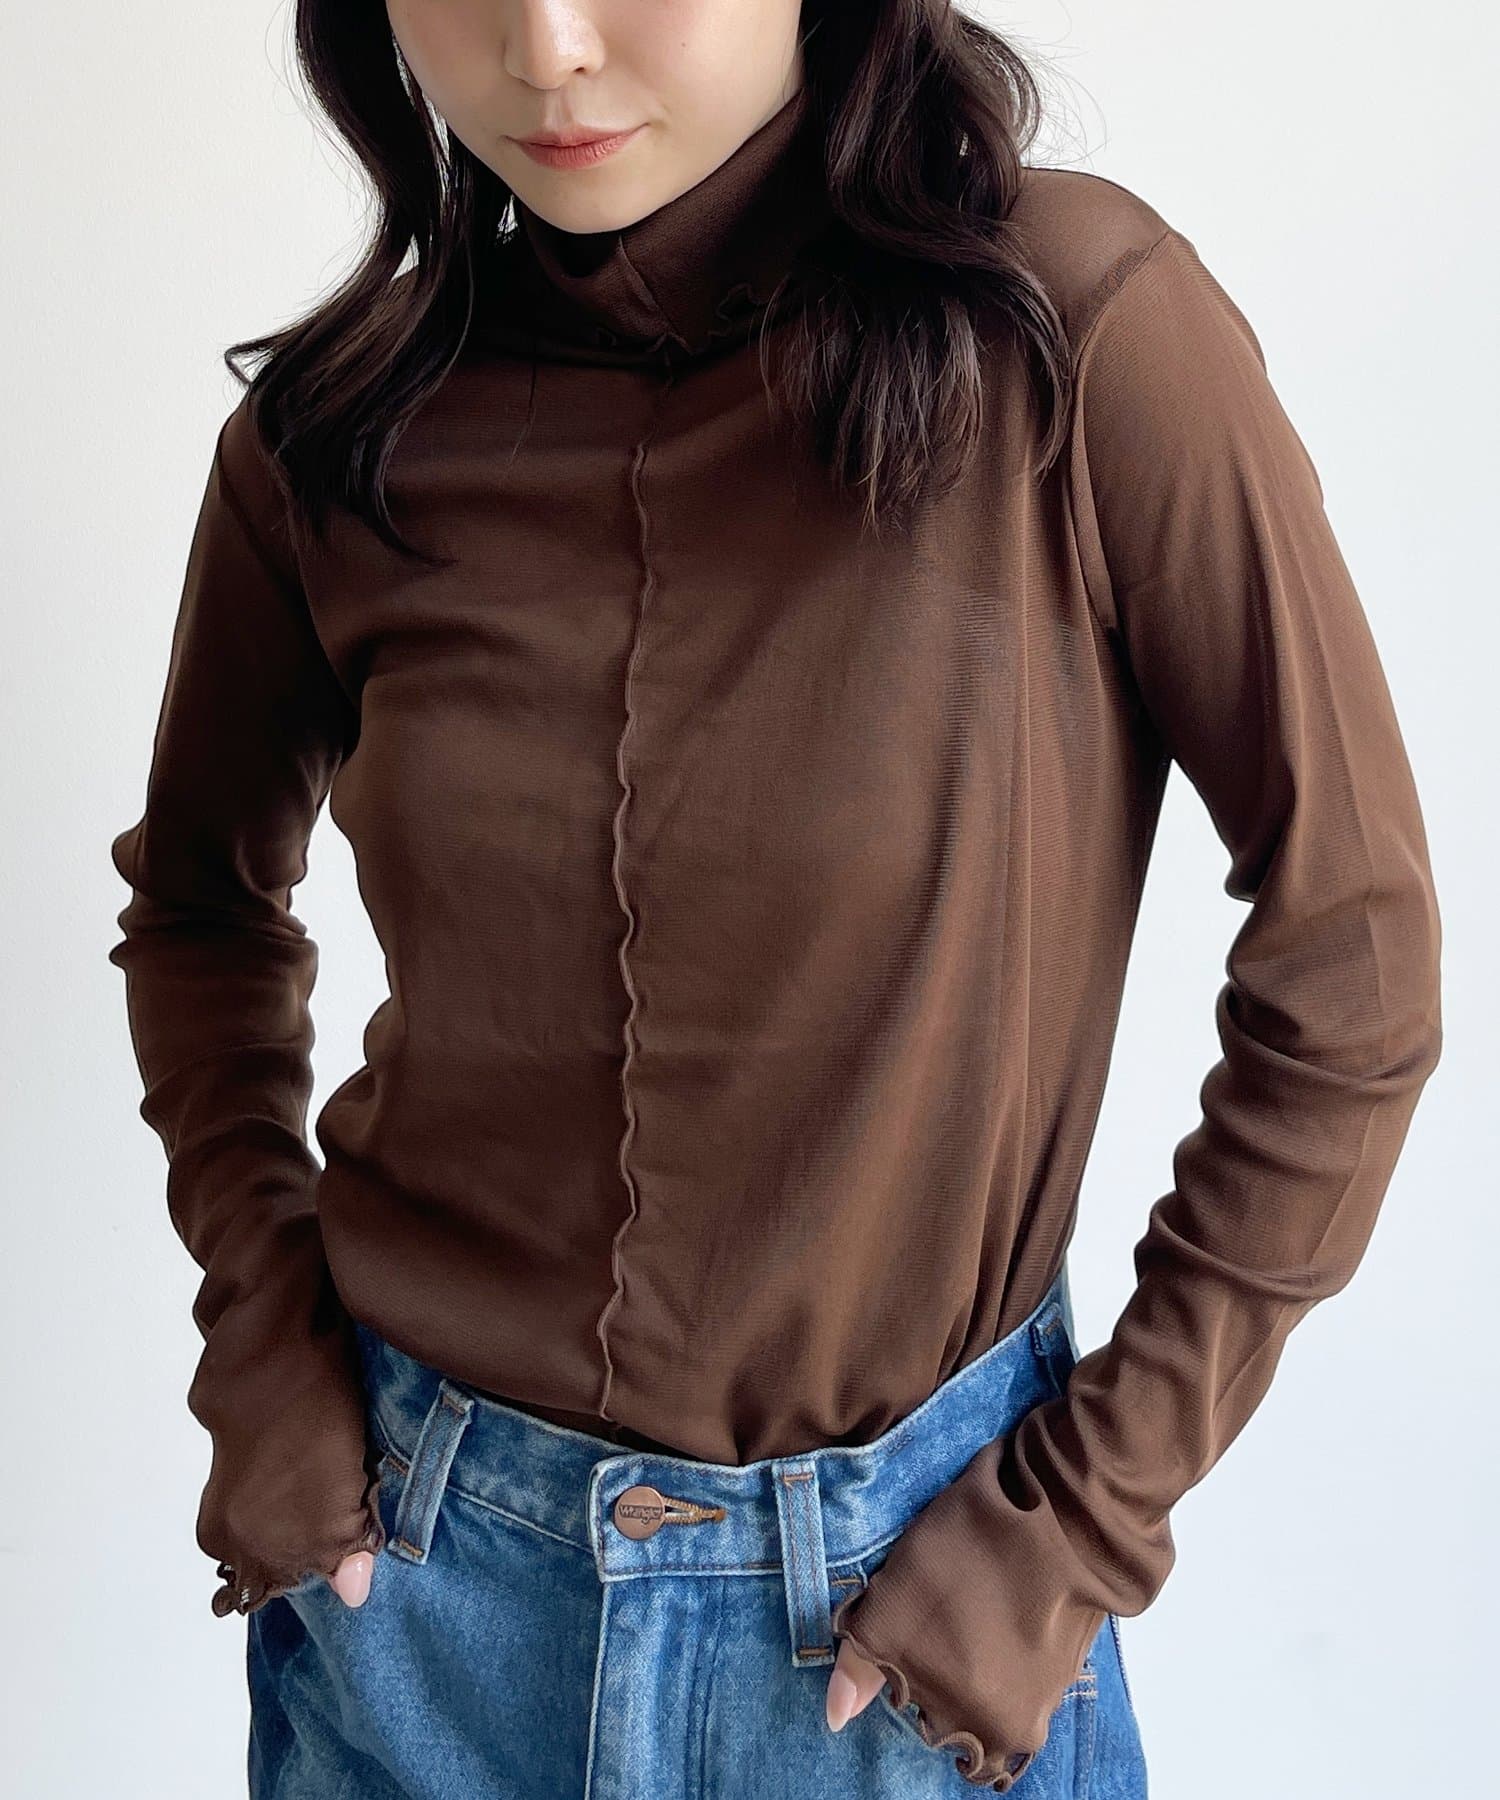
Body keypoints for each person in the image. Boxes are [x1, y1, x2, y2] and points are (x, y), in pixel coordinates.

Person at [106, 1, 1443, 1795]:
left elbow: (1354, 959)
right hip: (414, 1608)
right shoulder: (336, 434)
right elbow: (201, 911)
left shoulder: (1073, 331)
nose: (547, 48)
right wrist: (263, 1341)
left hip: (904, 1636)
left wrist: (1082, 1514)